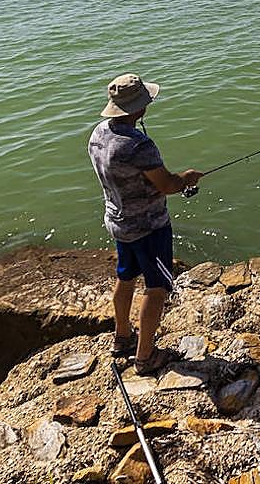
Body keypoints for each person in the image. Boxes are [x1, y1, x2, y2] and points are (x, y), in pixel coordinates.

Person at [88, 74, 202, 374]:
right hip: (149, 228)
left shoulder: (99, 133)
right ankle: (145, 357)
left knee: (125, 278)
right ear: (139, 108)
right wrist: (187, 178)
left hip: (119, 222)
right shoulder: (139, 145)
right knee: (157, 287)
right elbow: (167, 185)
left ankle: (122, 337)